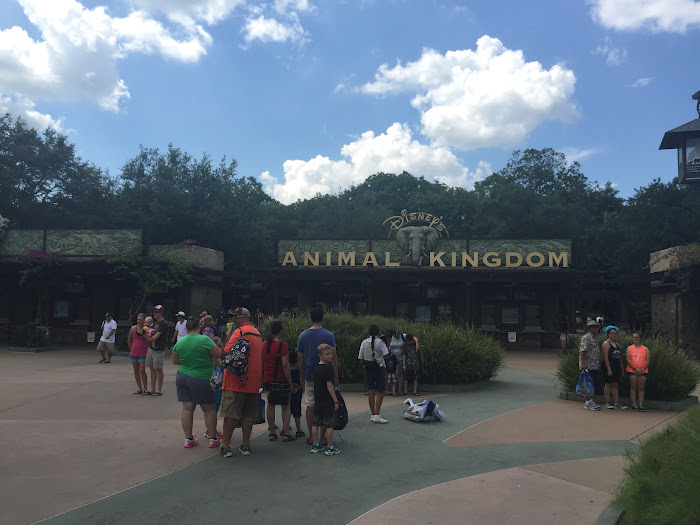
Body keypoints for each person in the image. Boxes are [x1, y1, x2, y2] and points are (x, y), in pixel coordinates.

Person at [172, 316, 222, 448]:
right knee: (209, 409)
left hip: (182, 376)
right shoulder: (204, 340)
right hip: (202, 377)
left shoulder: (180, 341)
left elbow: (175, 361)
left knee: (187, 409)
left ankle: (188, 439)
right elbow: (218, 354)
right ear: (198, 327)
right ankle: (213, 438)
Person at [220, 307, 263, 458]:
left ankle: (226, 446)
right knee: (248, 415)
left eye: (236, 317)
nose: (233, 319)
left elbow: (226, 351)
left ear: (244, 318)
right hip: (253, 382)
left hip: (235, 381)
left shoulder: (239, 332)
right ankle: (245, 445)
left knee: (231, 415)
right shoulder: (257, 333)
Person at [296, 308, 337, 445]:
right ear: (323, 318)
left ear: (311, 319)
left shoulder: (303, 335)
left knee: (310, 404)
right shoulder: (329, 335)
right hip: (326, 374)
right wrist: (336, 376)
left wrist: (301, 374)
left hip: (310, 373)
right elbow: (334, 357)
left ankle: (311, 436)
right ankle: (323, 437)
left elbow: (300, 357)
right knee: (325, 404)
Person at [262, 321, 295, 442]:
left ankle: (272, 432)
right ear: (280, 331)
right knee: (285, 406)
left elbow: (261, 363)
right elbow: (285, 364)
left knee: (270, 405)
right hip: (281, 379)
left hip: (267, 379)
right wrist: (290, 381)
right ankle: (286, 433)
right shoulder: (282, 345)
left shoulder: (263, 345)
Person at [311, 344, 340, 455]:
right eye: (327, 354)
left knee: (315, 423)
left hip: (318, 399)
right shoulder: (328, 369)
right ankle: (329, 447)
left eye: (330, 354)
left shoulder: (316, 368)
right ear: (321, 355)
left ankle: (315, 445)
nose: (330, 356)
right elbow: (329, 386)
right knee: (329, 424)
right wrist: (335, 400)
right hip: (327, 400)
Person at [359, 324, 389, 423]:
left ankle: (373, 414)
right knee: (381, 391)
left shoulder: (364, 342)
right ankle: (377, 414)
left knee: (371, 391)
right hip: (379, 368)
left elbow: (360, 357)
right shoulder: (380, 342)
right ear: (377, 332)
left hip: (368, 368)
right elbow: (386, 355)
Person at [146, 305, 169, 396]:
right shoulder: (155, 323)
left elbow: (156, 336)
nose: (154, 313)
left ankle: (158, 389)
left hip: (158, 349)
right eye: (154, 312)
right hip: (151, 347)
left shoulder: (163, 324)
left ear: (161, 313)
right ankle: (152, 389)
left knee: (158, 369)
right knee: (152, 368)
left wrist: (147, 338)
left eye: (156, 312)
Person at [601, 326, 626, 410]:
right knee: (608, 384)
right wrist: (608, 369)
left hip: (616, 366)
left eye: (615, 333)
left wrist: (622, 369)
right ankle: (607, 402)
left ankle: (616, 402)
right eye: (612, 333)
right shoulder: (606, 344)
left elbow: (620, 357)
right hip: (609, 366)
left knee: (615, 384)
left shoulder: (617, 344)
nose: (614, 335)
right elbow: (605, 357)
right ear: (608, 334)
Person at [579, 319, 602, 410]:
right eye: (594, 327)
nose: (596, 329)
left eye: (597, 327)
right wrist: (583, 364)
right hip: (588, 365)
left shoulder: (595, 338)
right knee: (588, 384)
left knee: (593, 384)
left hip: (594, 365)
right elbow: (583, 351)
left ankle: (590, 401)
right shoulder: (586, 338)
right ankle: (588, 402)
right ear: (590, 328)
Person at [626, 332, 650, 411]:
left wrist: (642, 369)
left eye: (636, 337)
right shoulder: (629, 348)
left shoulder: (645, 349)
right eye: (633, 337)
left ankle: (641, 404)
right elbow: (628, 359)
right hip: (632, 370)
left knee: (641, 387)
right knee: (633, 387)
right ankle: (634, 404)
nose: (635, 339)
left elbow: (647, 360)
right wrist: (635, 368)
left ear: (640, 339)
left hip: (643, 371)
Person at [127, 313, 149, 394]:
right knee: (136, 370)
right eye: (138, 320)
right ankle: (140, 388)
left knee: (142, 370)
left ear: (144, 320)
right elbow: (129, 339)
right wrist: (131, 349)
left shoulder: (146, 329)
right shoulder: (133, 328)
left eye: (141, 320)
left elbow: (149, 338)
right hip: (134, 352)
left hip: (143, 352)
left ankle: (145, 388)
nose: (139, 321)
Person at [288, 349, 305, 439]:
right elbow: (302, 384)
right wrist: (298, 388)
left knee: (287, 411)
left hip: (289, 394)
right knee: (297, 413)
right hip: (297, 394)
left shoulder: (288, 372)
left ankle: (286, 427)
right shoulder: (299, 372)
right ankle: (298, 430)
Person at [388, 328, 406, 395]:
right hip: (392, 358)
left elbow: (413, 338)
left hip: (400, 358)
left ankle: (399, 390)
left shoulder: (403, 336)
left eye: (397, 334)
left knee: (400, 373)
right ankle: (392, 390)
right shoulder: (391, 337)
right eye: (395, 335)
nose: (396, 336)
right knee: (392, 374)